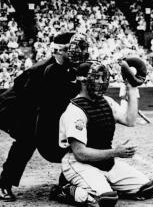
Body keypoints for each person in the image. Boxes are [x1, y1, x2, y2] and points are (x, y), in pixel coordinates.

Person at [0, 32, 90, 201]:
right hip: (17, 110)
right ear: (60, 51)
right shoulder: (38, 71)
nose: (79, 52)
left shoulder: (71, 68)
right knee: (26, 140)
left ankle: (67, 182)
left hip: (43, 109)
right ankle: (4, 184)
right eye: (74, 49)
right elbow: (26, 100)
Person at [57, 61, 153, 206]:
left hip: (106, 163)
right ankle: (64, 189)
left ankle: (102, 184)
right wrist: (115, 152)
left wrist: (131, 89)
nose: (102, 82)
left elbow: (130, 120)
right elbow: (80, 153)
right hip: (80, 163)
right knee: (106, 200)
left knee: (146, 189)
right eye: (97, 77)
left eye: (104, 77)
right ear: (83, 81)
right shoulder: (75, 111)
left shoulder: (106, 102)